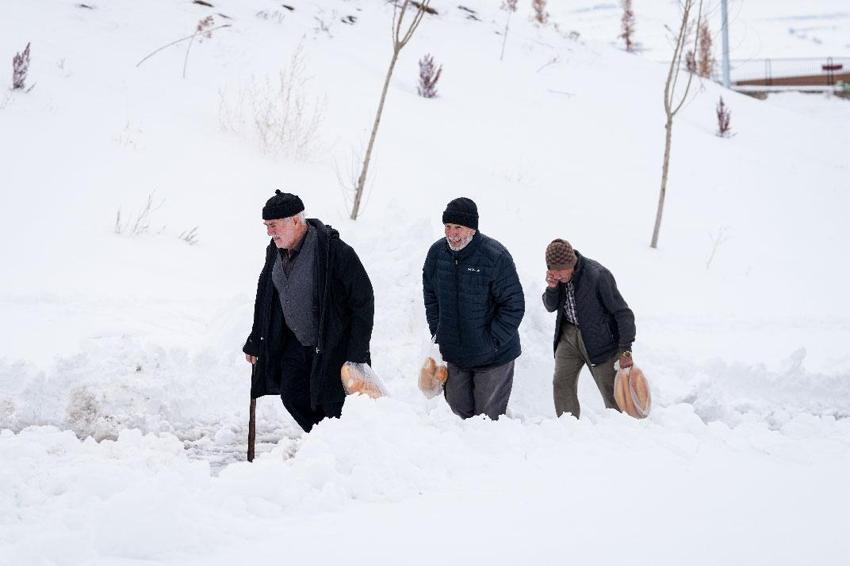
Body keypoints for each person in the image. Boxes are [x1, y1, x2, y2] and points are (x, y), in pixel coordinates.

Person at [243, 190, 375, 432]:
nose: (269, 232)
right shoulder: (274, 250)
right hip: (297, 343)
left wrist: (357, 352)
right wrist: (256, 339)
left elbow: (363, 301)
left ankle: (342, 449)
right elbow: (265, 296)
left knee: (334, 408)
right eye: (266, 226)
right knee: (292, 395)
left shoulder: (334, 251)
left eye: (273, 225)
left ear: (295, 220)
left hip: (333, 344)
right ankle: (322, 441)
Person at [422, 197, 525, 420]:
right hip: (455, 354)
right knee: (458, 412)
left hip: (493, 358)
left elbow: (514, 305)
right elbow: (431, 295)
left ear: (472, 228)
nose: (452, 233)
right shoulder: (437, 254)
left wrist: (491, 341)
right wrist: (439, 331)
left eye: (458, 227)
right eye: (448, 227)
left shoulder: (495, 256)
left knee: (486, 420)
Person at [542, 239, 635, 418]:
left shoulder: (598, 276)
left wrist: (625, 350)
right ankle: (568, 427)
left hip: (599, 339)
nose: (557, 275)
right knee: (561, 383)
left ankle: (624, 432)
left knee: (612, 393)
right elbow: (550, 306)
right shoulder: (558, 278)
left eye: (560, 271)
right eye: (553, 270)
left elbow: (623, 314)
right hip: (568, 336)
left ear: (571, 264)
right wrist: (552, 287)